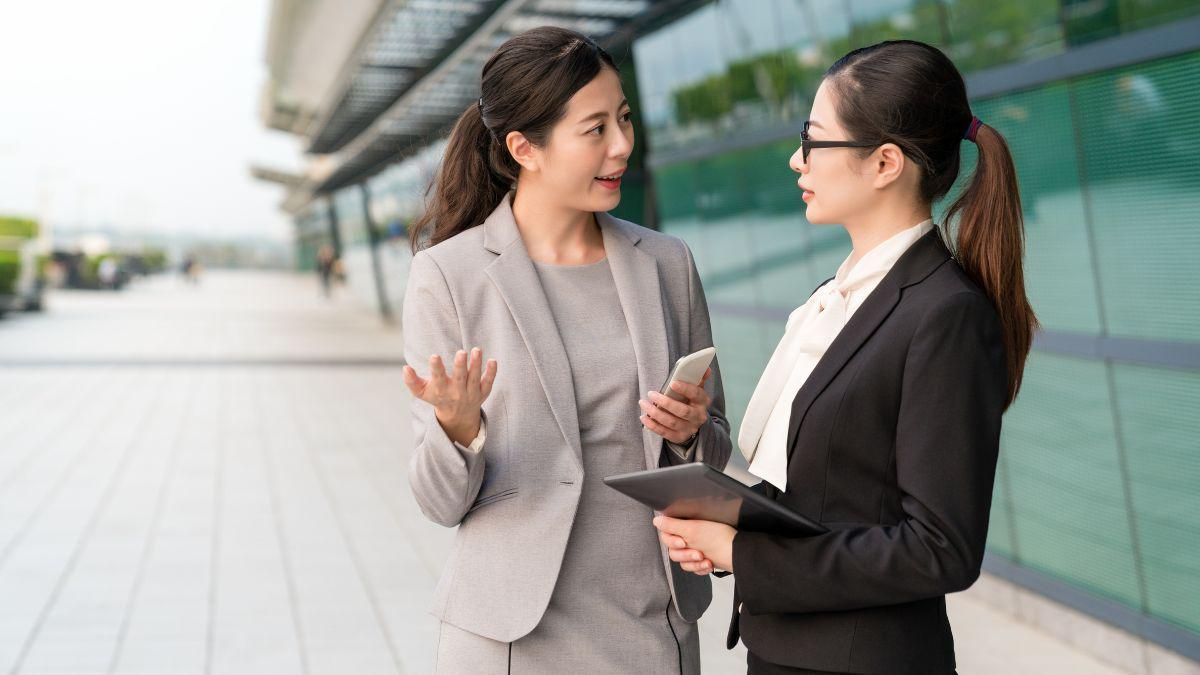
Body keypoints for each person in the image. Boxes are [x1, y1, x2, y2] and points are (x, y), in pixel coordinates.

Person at [653, 39, 1038, 674]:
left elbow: (941, 549)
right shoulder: (838, 297)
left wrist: (739, 554)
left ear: (885, 161)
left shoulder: (944, 314)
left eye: (814, 140)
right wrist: (717, 508)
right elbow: (822, 493)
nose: (795, 160)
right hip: (787, 649)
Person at [401, 26, 733, 674]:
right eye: (595, 129)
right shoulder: (449, 275)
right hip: (511, 637)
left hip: (652, 624)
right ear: (525, 147)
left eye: (625, 119)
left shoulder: (667, 263)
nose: (622, 146)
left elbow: (715, 455)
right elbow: (439, 503)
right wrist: (456, 428)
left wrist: (694, 433)